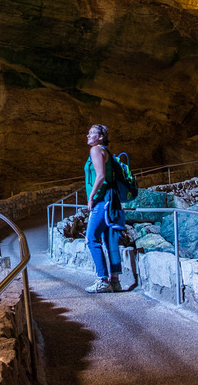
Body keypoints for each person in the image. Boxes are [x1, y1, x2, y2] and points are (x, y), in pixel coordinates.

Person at [83, 124, 123, 293]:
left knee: (91, 238)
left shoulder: (96, 150)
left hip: (102, 200)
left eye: (92, 133)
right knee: (110, 240)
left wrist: (91, 197)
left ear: (101, 137)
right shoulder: (107, 152)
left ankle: (102, 280)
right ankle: (115, 281)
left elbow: (100, 175)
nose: (88, 135)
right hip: (112, 200)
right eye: (88, 133)